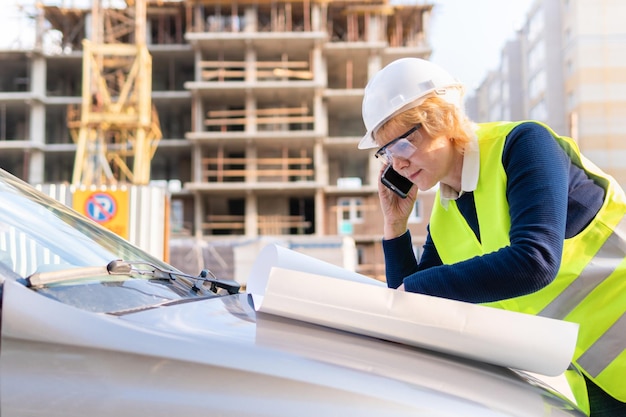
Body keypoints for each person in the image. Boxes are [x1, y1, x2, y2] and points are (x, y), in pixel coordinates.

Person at [358, 57, 626, 417]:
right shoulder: (446, 217)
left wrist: (418, 290)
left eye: (404, 143)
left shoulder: (524, 145)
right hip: (591, 383)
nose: (398, 163)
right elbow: (409, 311)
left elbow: (536, 261)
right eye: (386, 152)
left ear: (443, 118)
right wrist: (395, 227)